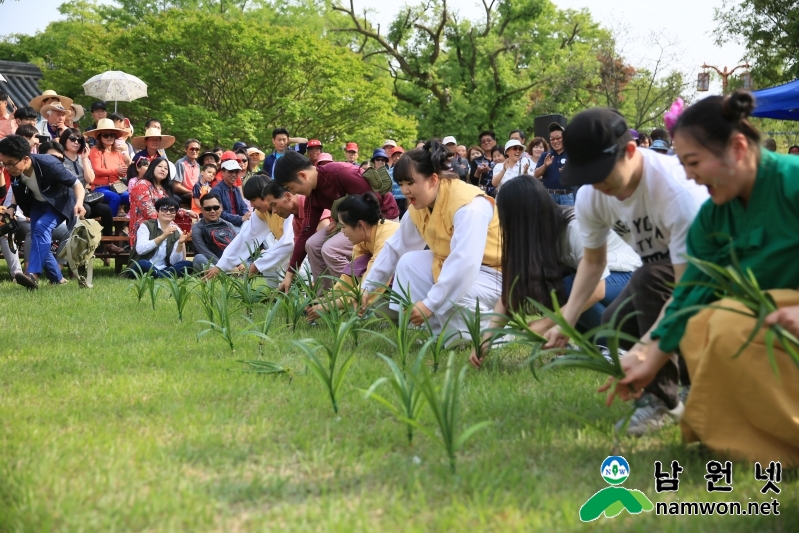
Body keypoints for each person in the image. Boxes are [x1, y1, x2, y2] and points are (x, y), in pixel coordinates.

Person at [604, 91, 799, 464]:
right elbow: (690, 292)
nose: (689, 175)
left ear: (738, 147)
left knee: (725, 325)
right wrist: (647, 357)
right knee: (700, 324)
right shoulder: (712, 216)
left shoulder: (792, 184)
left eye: (693, 161)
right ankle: (740, 440)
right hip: (766, 315)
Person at [542, 107, 709, 436]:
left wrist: (647, 351)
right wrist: (568, 316)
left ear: (631, 151)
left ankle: (663, 396)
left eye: (603, 173)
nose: (597, 184)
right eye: (588, 175)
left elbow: (690, 284)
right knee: (614, 322)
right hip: (665, 270)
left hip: (714, 272)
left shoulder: (676, 190)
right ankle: (685, 387)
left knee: (648, 280)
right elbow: (592, 261)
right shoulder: (593, 194)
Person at [469, 176, 641, 368]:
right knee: (555, 287)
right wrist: (485, 341)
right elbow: (509, 294)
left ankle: (619, 346)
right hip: (603, 283)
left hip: (629, 277)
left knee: (570, 287)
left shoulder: (574, 227)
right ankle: (592, 349)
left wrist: (546, 323)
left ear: (521, 215)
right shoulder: (533, 239)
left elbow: (596, 289)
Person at [360, 141, 502, 342]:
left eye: (410, 183)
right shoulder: (420, 206)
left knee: (455, 289)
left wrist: (430, 304)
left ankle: (495, 332)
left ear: (433, 179)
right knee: (409, 262)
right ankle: (431, 332)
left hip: (495, 275)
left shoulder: (468, 206)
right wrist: (368, 289)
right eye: (401, 184)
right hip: (456, 267)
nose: (405, 190)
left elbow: (465, 263)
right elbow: (395, 248)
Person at [272, 151, 399, 292]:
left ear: (303, 176)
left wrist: (341, 223)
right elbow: (305, 235)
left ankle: (349, 296)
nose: (294, 193)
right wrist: (290, 274)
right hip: (351, 223)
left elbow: (372, 202)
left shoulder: (341, 173)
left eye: (291, 188)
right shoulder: (312, 196)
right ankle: (323, 298)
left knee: (331, 249)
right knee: (312, 244)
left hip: (380, 217)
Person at [0, 135, 85, 289]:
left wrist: (79, 203)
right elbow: (16, 189)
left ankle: (32, 275)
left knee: (41, 228)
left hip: (60, 203)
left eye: (11, 164)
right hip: (38, 204)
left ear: (26, 159)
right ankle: (57, 279)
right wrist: (12, 206)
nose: (7, 168)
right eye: (4, 164)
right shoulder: (15, 170)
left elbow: (77, 184)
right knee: (38, 236)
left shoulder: (49, 164)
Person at [306, 192, 400, 321]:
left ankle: (398, 315)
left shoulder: (385, 239)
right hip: (390, 283)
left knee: (356, 305)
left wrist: (330, 306)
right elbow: (348, 279)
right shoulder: (363, 239)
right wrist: (326, 299)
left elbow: (374, 283)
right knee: (358, 268)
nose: (342, 232)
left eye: (344, 226)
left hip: (412, 291)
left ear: (360, 225)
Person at [203, 175, 295, 286]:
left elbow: (290, 243)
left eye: (253, 200)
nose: (251, 205)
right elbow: (245, 238)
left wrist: (258, 264)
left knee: (270, 262)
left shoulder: (287, 208)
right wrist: (221, 266)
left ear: (265, 196)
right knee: (269, 264)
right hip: (291, 253)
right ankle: (279, 296)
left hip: (305, 254)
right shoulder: (262, 213)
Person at [56, 132, 122, 254]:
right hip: (68, 198)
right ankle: (82, 245)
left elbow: (90, 179)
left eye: (79, 140)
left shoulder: (82, 159)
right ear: (65, 140)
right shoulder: (60, 160)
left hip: (86, 197)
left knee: (106, 210)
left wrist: (85, 159)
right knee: (86, 209)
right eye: (72, 139)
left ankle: (108, 243)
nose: (76, 142)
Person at [129, 157, 196, 247]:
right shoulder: (142, 185)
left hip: (163, 226)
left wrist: (186, 212)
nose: (163, 169)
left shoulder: (164, 189)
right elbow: (149, 212)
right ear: (152, 168)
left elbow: (168, 208)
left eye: (166, 168)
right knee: (178, 234)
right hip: (145, 229)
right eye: (160, 166)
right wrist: (172, 225)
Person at [128, 196, 193, 278]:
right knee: (142, 264)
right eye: (164, 209)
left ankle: (160, 276)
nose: (168, 213)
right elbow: (141, 250)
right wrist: (163, 236)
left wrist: (180, 244)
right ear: (157, 211)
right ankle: (165, 277)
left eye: (172, 210)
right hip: (145, 266)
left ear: (175, 213)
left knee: (188, 264)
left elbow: (174, 262)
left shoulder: (177, 231)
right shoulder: (146, 225)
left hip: (165, 268)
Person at [86, 118, 131, 216]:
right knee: (115, 198)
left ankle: (128, 226)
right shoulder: (95, 150)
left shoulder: (117, 152)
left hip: (116, 186)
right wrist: (116, 170)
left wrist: (124, 170)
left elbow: (122, 172)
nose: (109, 137)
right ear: (99, 137)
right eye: (106, 135)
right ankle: (110, 227)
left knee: (132, 197)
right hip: (99, 187)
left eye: (112, 135)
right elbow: (97, 171)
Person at [190, 193, 238, 271]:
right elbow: (204, 252)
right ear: (201, 210)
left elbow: (238, 247)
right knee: (199, 258)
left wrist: (241, 263)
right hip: (211, 263)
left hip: (231, 262)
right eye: (208, 209)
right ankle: (226, 272)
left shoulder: (228, 225)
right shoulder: (197, 228)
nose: (212, 211)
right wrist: (226, 267)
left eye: (216, 207)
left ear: (221, 207)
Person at [534, 122, 574, 205]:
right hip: (549, 195)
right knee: (548, 218)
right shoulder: (546, 155)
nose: (555, 141)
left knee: (567, 218)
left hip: (567, 196)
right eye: (552, 139)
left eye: (558, 138)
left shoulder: (572, 154)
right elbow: (536, 174)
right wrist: (545, 166)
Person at [211, 159, 250, 231]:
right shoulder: (216, 191)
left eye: (236, 172)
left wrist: (247, 215)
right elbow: (220, 213)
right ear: (222, 172)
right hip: (224, 226)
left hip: (239, 224)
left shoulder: (236, 189)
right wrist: (241, 218)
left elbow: (243, 206)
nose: (234, 174)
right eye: (230, 171)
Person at [174, 139, 202, 203]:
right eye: (192, 149)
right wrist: (191, 192)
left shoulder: (197, 165)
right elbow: (176, 186)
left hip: (194, 193)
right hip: (182, 194)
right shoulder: (180, 163)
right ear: (185, 149)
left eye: (197, 149)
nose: (194, 151)